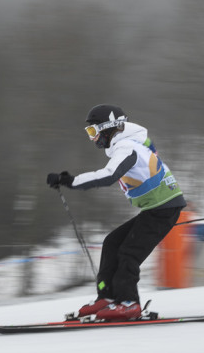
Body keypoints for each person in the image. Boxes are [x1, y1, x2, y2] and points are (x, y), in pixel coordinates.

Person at [47, 105, 186, 320]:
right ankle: (109, 297)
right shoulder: (131, 144)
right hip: (157, 208)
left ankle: (129, 303)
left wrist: (71, 181)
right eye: (89, 133)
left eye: (93, 132)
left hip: (163, 208)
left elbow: (109, 175)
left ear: (109, 128)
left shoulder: (127, 147)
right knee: (112, 242)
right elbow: (150, 148)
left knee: (129, 252)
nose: (92, 138)